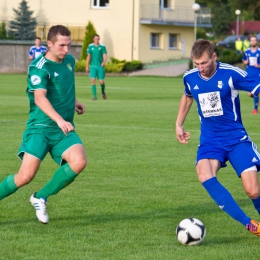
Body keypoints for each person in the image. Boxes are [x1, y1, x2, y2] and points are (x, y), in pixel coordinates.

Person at [0, 25, 87, 224]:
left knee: (79, 161)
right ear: (49, 44)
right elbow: (40, 98)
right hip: (40, 129)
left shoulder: (69, 61)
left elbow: (63, 87)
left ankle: (40, 197)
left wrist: (74, 102)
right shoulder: (39, 67)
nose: (66, 50)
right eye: (62, 46)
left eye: (69, 45)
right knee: (24, 177)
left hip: (62, 129)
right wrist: (59, 119)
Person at [176, 39, 260, 237]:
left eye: (204, 63)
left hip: (236, 139)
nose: (201, 69)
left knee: (253, 192)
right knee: (204, 174)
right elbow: (188, 96)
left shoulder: (231, 73)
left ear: (214, 57)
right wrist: (179, 123)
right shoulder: (190, 77)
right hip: (210, 140)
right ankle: (250, 224)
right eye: (196, 64)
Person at [86, 34, 107, 100]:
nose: (96, 40)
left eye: (98, 39)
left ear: (99, 39)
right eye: (95, 39)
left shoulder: (102, 47)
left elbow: (105, 55)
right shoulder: (90, 46)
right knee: (93, 80)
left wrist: (104, 62)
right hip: (92, 66)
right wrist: (87, 66)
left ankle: (103, 92)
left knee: (101, 81)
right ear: (93, 39)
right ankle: (95, 96)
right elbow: (88, 56)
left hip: (100, 66)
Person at [242, 36, 260, 114]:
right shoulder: (247, 52)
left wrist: (259, 65)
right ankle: (257, 100)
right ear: (250, 42)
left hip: (257, 73)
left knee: (255, 91)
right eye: (251, 40)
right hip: (249, 73)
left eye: (254, 40)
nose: (253, 42)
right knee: (250, 94)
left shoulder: (259, 51)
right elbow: (243, 60)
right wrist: (245, 62)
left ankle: (255, 109)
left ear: (257, 41)